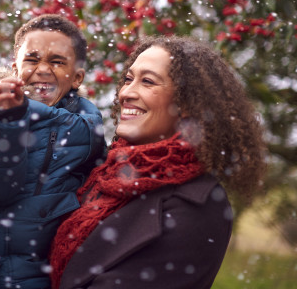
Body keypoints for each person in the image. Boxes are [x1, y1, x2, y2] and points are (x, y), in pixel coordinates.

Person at [50, 35, 267, 289]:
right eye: (129, 79)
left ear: (187, 103)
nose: (126, 93)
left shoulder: (200, 206)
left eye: (148, 82)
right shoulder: (99, 172)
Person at [0, 14, 106, 289]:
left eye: (57, 61)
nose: (42, 69)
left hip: (48, 277)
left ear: (76, 78)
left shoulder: (88, 131)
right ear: (15, 69)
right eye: (32, 59)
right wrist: (6, 119)